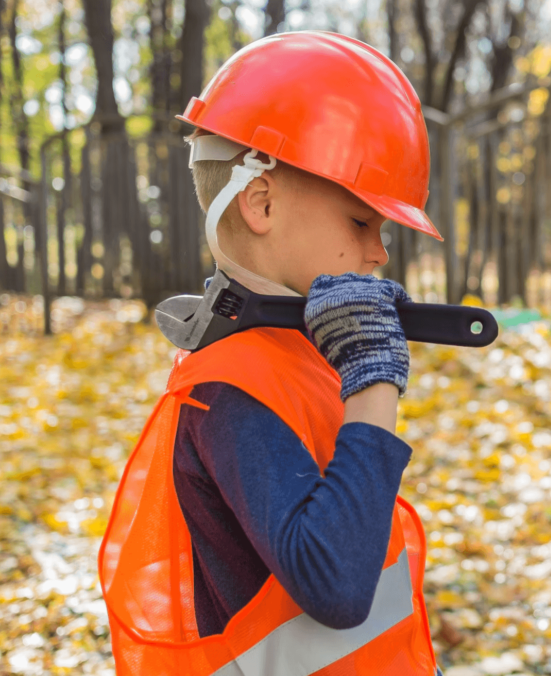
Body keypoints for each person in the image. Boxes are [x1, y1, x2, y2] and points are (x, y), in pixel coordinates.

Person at [98, 31, 444, 675]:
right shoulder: (230, 388)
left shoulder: (293, 355)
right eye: (362, 222)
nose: (380, 252)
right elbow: (336, 587)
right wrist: (373, 383)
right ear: (260, 203)